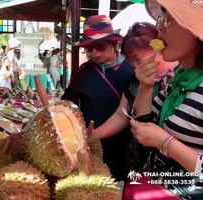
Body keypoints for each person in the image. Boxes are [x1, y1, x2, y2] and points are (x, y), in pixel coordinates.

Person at [124, 0, 203, 199]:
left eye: (169, 18)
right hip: (158, 189)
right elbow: (144, 123)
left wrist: (167, 143)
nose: (159, 26)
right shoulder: (177, 79)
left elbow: (159, 139)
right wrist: (145, 86)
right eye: (161, 17)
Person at [93, 22, 179, 174]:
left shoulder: (181, 79)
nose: (133, 65)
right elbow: (121, 115)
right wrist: (96, 134)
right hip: (138, 160)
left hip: (172, 167)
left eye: (137, 59)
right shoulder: (134, 81)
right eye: (130, 60)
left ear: (159, 49)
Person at [61, 15, 134, 182]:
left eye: (99, 46)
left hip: (126, 146)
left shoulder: (132, 68)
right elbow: (66, 104)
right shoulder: (85, 71)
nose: (94, 52)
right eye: (89, 47)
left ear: (113, 43)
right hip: (93, 147)